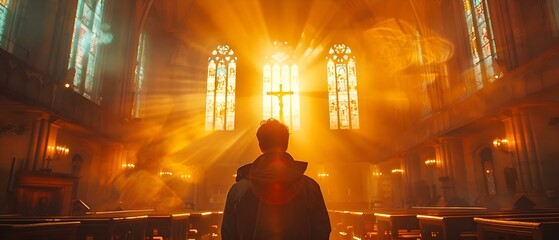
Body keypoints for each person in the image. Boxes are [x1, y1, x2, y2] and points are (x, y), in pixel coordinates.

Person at [221, 118, 331, 240]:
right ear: (286, 144)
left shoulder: (238, 190)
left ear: (260, 146)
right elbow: (322, 231)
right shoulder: (309, 187)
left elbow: (229, 233)